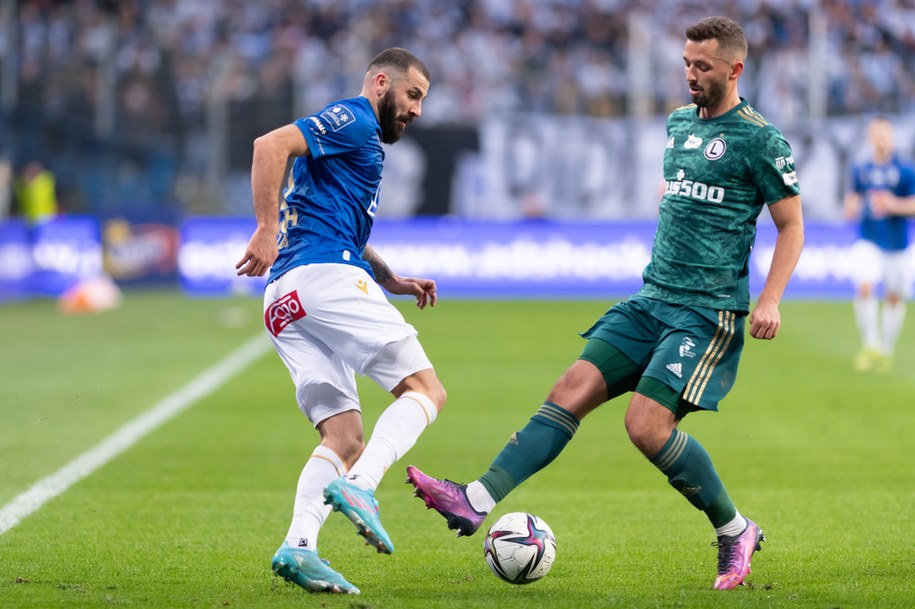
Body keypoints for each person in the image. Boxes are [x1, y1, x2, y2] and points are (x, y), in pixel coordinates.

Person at [407, 16, 804, 591]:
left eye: (703, 67)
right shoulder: (677, 125)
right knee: (569, 389)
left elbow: (791, 226)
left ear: (735, 69)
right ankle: (473, 500)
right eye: (687, 63)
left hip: (705, 311)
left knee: (645, 426)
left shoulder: (760, 139)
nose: (691, 75)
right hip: (652, 300)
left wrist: (770, 299)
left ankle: (734, 529)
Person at [235, 48, 445, 595]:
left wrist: (391, 279)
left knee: (344, 434)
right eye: (414, 95)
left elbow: (344, 227)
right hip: (320, 277)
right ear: (381, 82)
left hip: (285, 299)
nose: (417, 110)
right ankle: (364, 488)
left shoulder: (355, 146)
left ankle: (299, 546)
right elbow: (270, 144)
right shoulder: (353, 118)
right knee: (426, 391)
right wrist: (264, 227)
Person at [843, 116, 915, 373]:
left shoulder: (906, 171)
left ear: (892, 137)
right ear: (871, 137)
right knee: (864, 286)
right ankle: (871, 343)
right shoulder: (861, 169)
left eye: (884, 133)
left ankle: (886, 349)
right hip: (869, 240)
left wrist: (893, 204)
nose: (881, 138)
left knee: (894, 297)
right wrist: (850, 206)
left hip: (898, 245)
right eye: (876, 133)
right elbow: (853, 198)